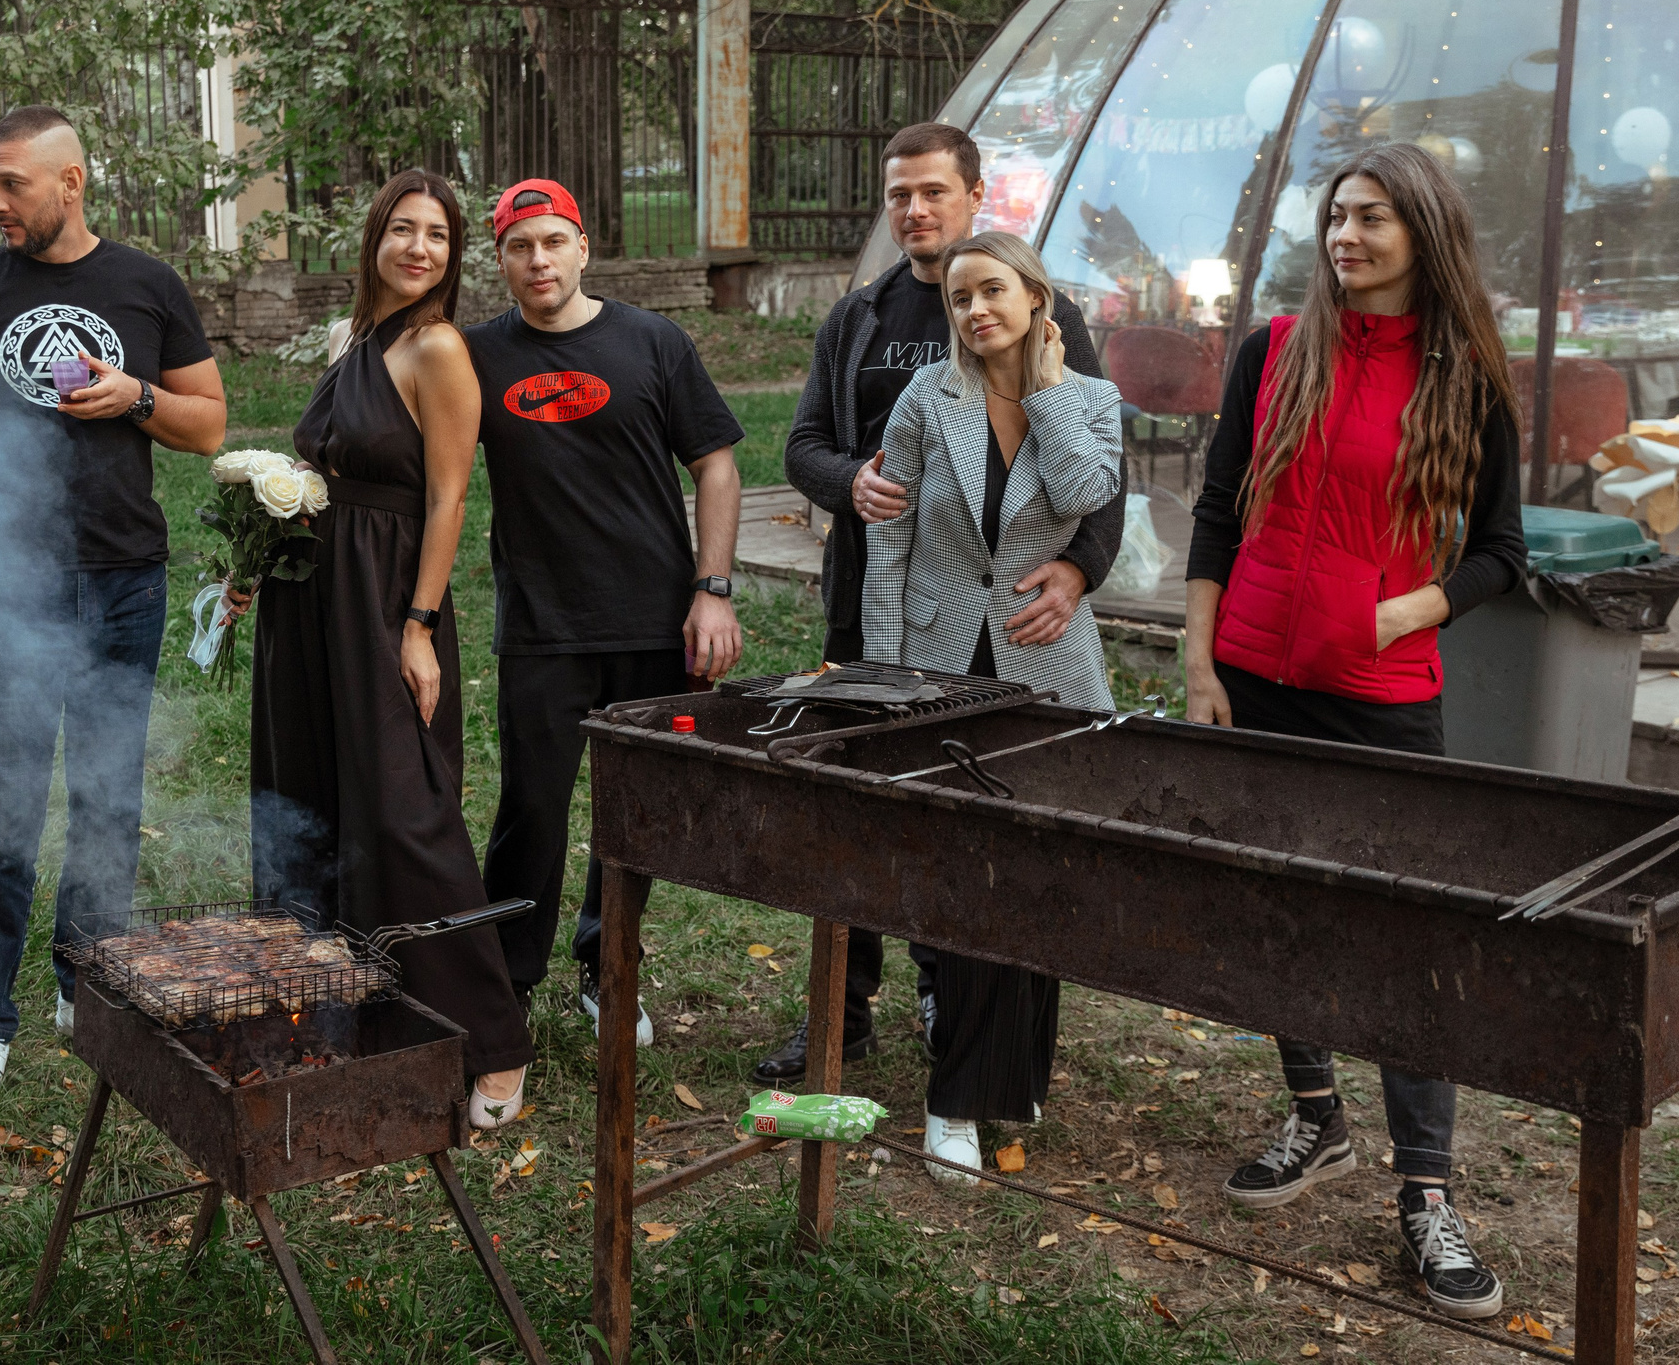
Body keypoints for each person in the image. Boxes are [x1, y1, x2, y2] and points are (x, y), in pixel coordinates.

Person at [1185, 141, 1522, 1320]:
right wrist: (1197, 658)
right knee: (1281, 908)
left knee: (1400, 940)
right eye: (1336, 216)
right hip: (1254, 680)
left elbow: (1499, 555)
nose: (1346, 237)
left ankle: (1425, 1193)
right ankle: (1315, 1115)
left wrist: (1398, 611)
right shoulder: (1274, 350)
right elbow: (1219, 505)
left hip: (1379, 695)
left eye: (1371, 217)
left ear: (1421, 231)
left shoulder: (1465, 376)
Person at [775, 122, 1124, 1083]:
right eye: (899, 197)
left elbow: (1096, 470)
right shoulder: (858, 319)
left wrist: (1079, 570)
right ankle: (840, 1007)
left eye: (933, 192)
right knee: (857, 806)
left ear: (976, 197)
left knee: (965, 800)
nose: (915, 211)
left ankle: (950, 990)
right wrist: (850, 481)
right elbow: (801, 444)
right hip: (882, 601)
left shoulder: (1041, 318)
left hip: (1004, 616)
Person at [0, 105, 227, 1127]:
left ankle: (87, 990)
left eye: (12, 184)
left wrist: (133, 395)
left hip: (126, 578)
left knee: (107, 804)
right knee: (1, 815)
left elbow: (208, 424)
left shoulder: (145, 285)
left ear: (71, 181)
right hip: (9, 583)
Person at [248, 170, 537, 1128]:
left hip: (382, 602)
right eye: (404, 230)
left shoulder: (437, 348)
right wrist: (256, 551)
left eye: (440, 238)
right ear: (374, 238)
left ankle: (494, 1046)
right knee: (314, 795)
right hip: (310, 600)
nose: (420, 248)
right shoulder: (355, 341)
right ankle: (339, 1011)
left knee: (406, 808)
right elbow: (322, 468)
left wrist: (417, 628)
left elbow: (451, 497)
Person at [862, 230, 1121, 1184]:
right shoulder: (928, 398)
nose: (974, 311)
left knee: (1038, 870)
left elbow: (1088, 495)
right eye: (960, 297)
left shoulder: (1089, 400)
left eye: (993, 291)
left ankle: (1015, 1075)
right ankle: (956, 1100)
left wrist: (1047, 392)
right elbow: (888, 538)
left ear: (1034, 297)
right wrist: (885, 676)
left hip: (1045, 667)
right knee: (969, 875)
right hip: (939, 663)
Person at [465, 179, 746, 1046]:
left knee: (635, 815)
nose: (539, 260)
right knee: (531, 814)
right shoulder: (475, 357)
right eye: (520, 247)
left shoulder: (651, 341)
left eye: (553, 242)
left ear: (583, 247)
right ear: (502, 260)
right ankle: (505, 989)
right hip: (543, 624)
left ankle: (608, 966)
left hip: (656, 619)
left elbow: (717, 467)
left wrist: (714, 589)